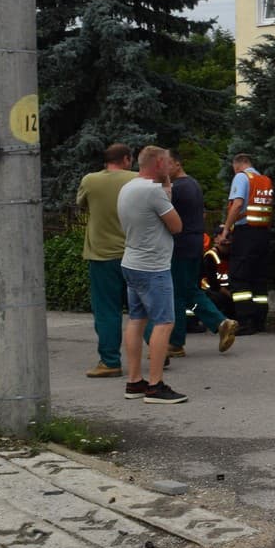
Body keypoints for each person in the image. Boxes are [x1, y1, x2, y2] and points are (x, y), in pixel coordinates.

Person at [117, 146, 187, 404]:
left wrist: (165, 181)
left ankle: (135, 381)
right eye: (167, 163)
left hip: (132, 262)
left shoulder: (130, 187)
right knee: (164, 322)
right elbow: (177, 226)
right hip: (153, 268)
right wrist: (165, 185)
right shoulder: (152, 192)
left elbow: (160, 200)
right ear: (158, 162)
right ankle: (155, 385)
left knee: (137, 319)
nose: (171, 166)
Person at [158, 153, 238, 357]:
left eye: (166, 164)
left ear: (177, 163)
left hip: (180, 246)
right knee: (189, 291)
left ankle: (175, 342)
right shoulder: (192, 184)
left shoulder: (177, 188)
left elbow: (163, 214)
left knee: (176, 293)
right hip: (193, 244)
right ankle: (220, 323)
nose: (163, 169)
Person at [75, 143, 138, 378]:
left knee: (107, 310)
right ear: (126, 159)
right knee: (142, 307)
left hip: (101, 255)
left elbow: (81, 204)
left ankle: (110, 361)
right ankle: (160, 352)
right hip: (134, 253)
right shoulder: (138, 179)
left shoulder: (90, 180)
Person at [220, 153, 274, 334]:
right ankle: (260, 320)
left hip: (246, 233)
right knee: (258, 278)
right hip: (263, 233)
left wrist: (226, 229)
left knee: (239, 277)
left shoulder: (242, 177)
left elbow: (237, 204)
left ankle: (245, 320)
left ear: (238, 165)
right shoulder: (264, 180)